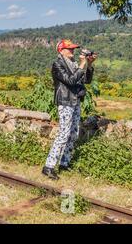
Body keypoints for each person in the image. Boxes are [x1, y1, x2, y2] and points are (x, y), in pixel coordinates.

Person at [42, 40, 97, 180]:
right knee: (63, 133)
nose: (72, 51)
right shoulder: (57, 64)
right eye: (69, 49)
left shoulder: (73, 65)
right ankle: (48, 166)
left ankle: (64, 163)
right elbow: (71, 81)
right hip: (65, 101)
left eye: (73, 49)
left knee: (73, 133)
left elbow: (87, 80)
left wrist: (89, 64)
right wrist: (82, 64)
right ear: (61, 51)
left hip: (76, 101)